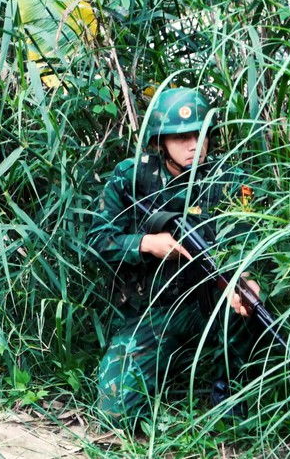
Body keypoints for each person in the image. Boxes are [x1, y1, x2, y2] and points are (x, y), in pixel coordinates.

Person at [89, 87, 261, 427]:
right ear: (160, 141)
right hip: (154, 309)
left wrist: (249, 279)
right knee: (115, 413)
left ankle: (229, 394)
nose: (194, 145)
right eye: (181, 137)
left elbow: (249, 240)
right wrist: (146, 243)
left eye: (200, 134)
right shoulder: (132, 177)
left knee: (247, 307)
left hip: (211, 303)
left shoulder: (228, 181)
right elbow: (98, 239)